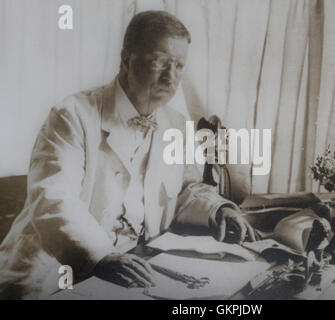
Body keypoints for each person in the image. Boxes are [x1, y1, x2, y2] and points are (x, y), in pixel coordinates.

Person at [0, 10, 256, 299]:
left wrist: (217, 210)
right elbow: (54, 200)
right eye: (160, 61)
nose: (170, 77)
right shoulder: (71, 115)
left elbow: (184, 190)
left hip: (132, 268)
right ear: (126, 59)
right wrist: (99, 257)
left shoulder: (175, 124)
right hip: (53, 273)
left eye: (178, 65)